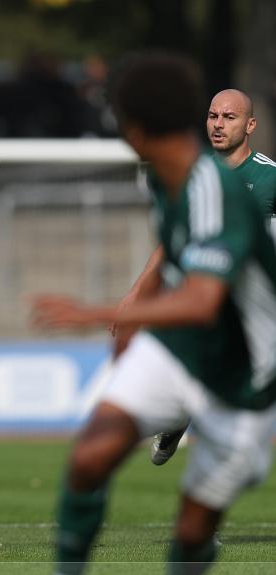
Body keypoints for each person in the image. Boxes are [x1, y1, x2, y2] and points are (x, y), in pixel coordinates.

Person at [31, 53, 276, 575]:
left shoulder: (227, 190)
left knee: (192, 527)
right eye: (211, 115)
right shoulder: (169, 180)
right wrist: (132, 316)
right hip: (179, 349)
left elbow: (203, 301)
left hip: (243, 372)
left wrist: (97, 313)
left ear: (136, 129)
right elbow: (173, 264)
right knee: (92, 452)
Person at [113, 87, 276, 465]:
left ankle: (183, 414)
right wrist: (136, 292)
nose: (218, 125)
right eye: (212, 116)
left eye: (229, 117)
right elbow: (170, 244)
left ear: (250, 125)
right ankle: (180, 412)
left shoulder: (269, 178)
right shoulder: (190, 175)